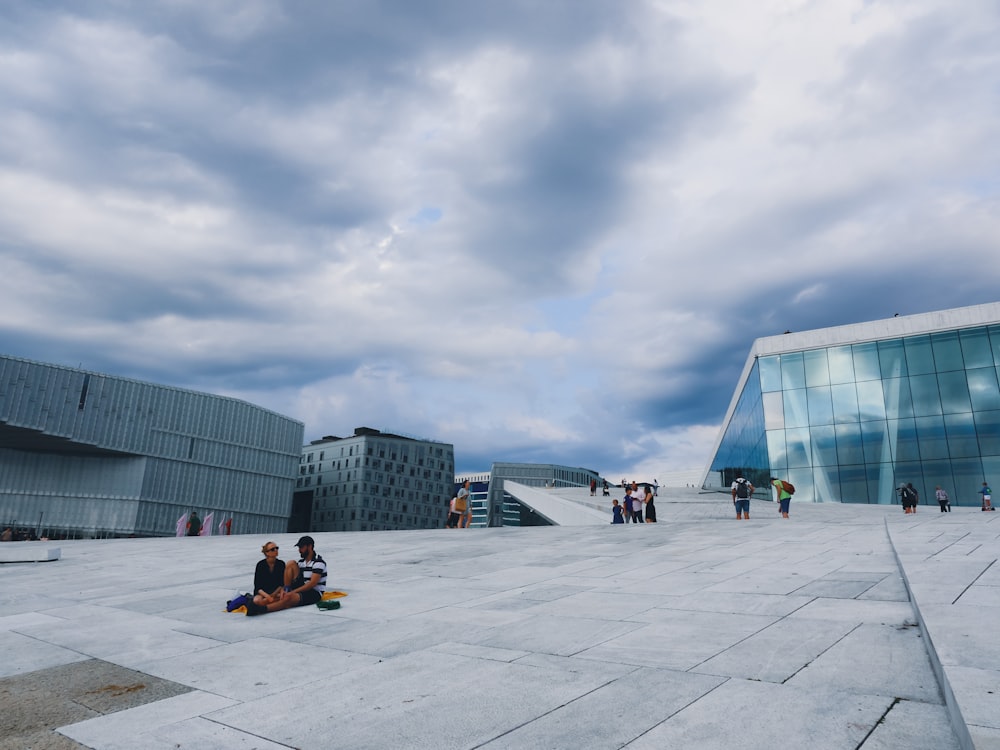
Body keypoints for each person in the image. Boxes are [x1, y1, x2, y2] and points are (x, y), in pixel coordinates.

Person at [246, 536, 326, 616]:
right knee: (290, 563)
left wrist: (292, 592)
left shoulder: (318, 562)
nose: (299, 550)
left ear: (310, 547)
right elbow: (258, 585)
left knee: (287, 598)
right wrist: (286, 590)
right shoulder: (301, 562)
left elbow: (312, 584)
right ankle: (283, 592)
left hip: (313, 593)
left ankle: (262, 609)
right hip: (299, 589)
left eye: (301, 547)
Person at [252, 541, 286, 606]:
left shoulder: (281, 564)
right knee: (256, 600)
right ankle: (270, 603)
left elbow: (282, 583)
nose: (276, 550)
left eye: (276, 548)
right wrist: (268, 597)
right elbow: (257, 586)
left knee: (285, 596)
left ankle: (267, 604)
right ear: (267, 553)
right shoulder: (260, 565)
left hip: (276, 591)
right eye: (273, 549)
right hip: (263, 592)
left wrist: (273, 594)